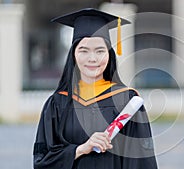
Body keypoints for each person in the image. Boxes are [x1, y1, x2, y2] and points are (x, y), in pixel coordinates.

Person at [33, 8, 158, 169]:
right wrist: (80, 150)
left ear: (109, 55)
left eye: (100, 51)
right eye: (84, 51)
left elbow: (141, 161)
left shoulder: (127, 101)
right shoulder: (57, 103)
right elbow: (41, 161)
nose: (92, 58)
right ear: (73, 55)